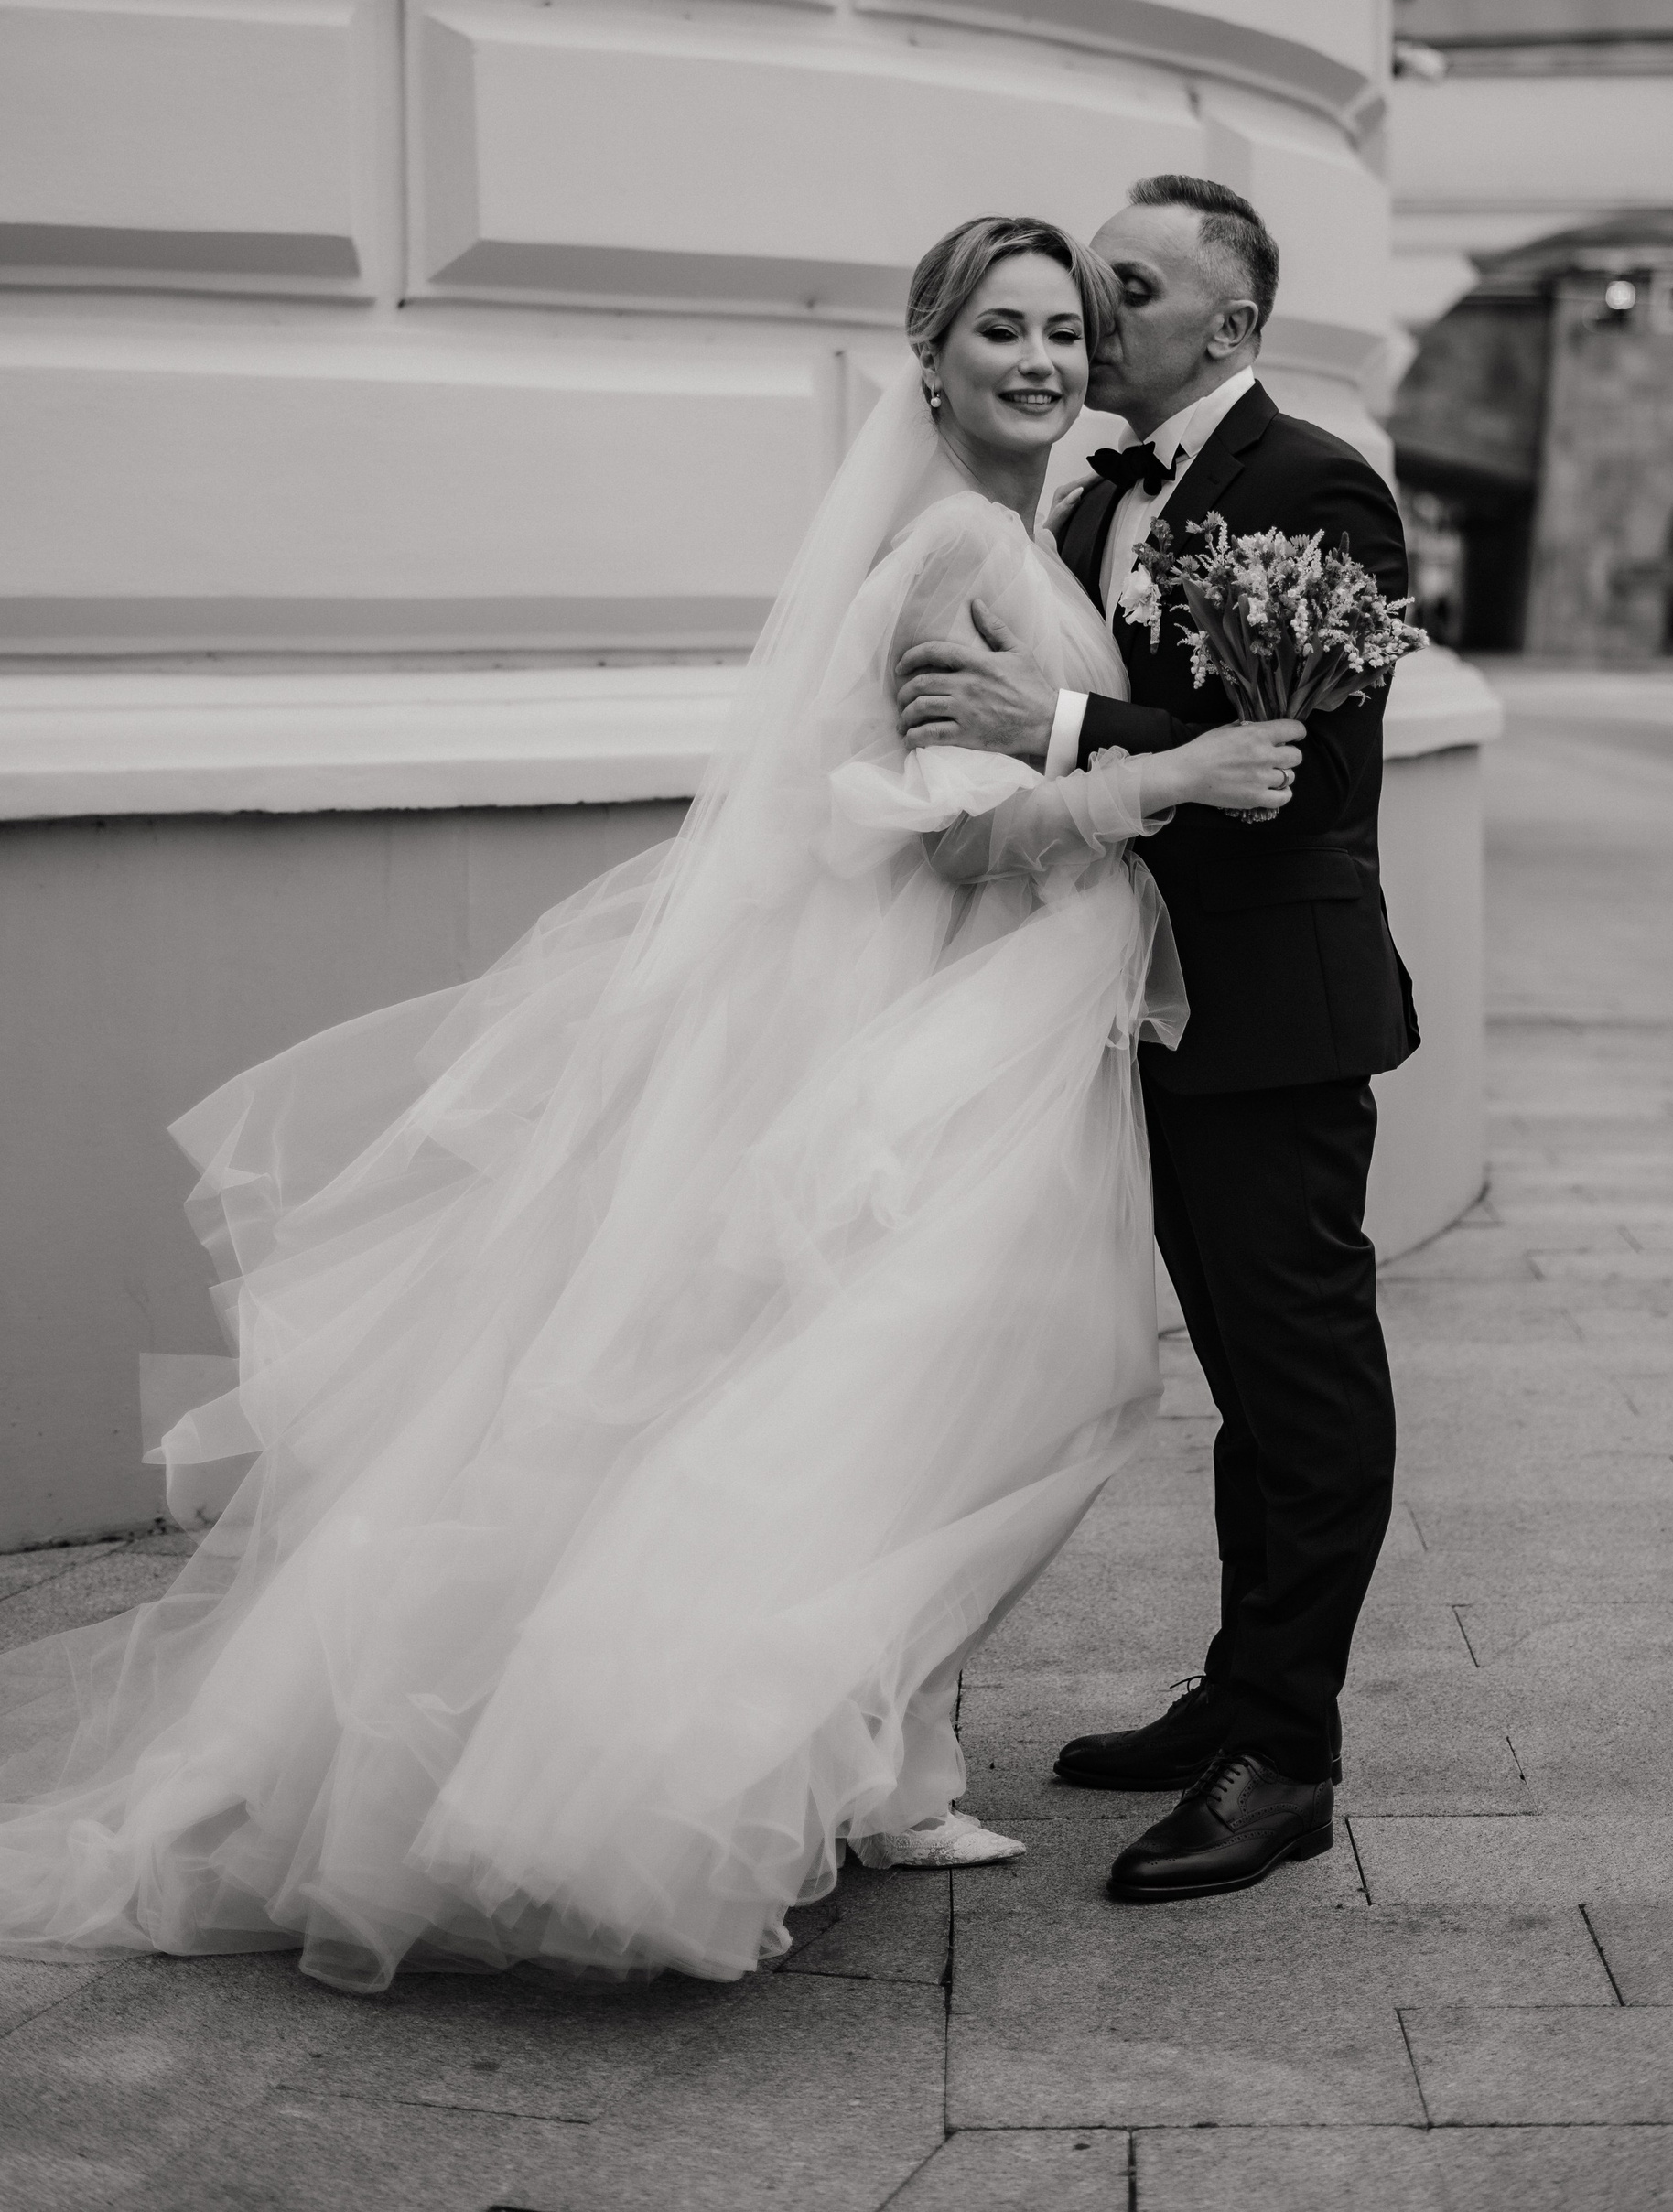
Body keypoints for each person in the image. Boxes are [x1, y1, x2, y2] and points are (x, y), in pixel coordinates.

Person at [0, 216, 1302, 1991]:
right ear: (927, 361)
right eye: (1002, 330)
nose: (1045, 360)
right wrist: (1173, 775)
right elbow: (958, 836)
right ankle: (696, 1768)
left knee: (933, 1397)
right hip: (931, 1041)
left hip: (992, 1034)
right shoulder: (954, 545)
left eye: (1065, 330)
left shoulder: (1034, 528)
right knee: (906, 1396)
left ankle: (883, 1769)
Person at [896, 177, 1418, 1904]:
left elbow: (1309, 779)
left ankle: (1289, 1757)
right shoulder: (1094, 496)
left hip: (1273, 1013)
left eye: (1124, 287)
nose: (1092, 312)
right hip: (1141, 1005)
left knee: (1304, 1382)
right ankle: (1235, 1694)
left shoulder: (1313, 481)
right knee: (1248, 1395)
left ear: (1231, 323)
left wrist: (1054, 722)